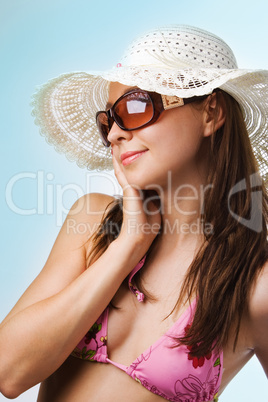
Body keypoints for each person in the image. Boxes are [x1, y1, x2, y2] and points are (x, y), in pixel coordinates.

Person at [0, 25, 267, 402]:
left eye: (136, 107)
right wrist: (128, 244)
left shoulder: (255, 285)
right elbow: (8, 373)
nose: (113, 135)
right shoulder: (93, 223)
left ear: (211, 112)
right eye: (108, 121)